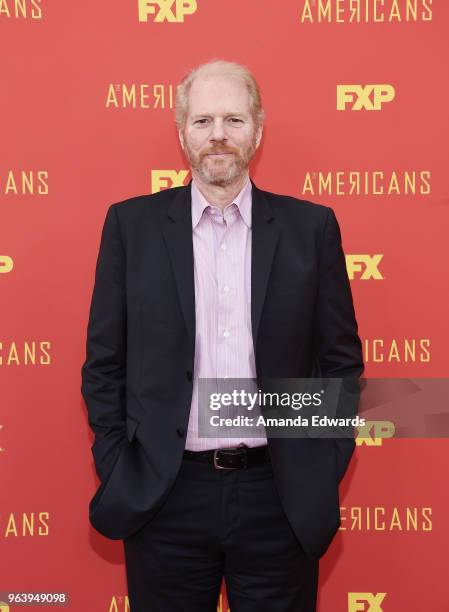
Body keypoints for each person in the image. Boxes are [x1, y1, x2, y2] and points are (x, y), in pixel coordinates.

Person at [81, 59, 364, 611]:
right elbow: (104, 364)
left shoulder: (312, 229)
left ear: (257, 130)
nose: (218, 136)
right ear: (181, 131)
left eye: (233, 120)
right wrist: (121, 463)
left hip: (277, 498)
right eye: (203, 120)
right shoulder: (129, 227)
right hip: (164, 497)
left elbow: (340, 363)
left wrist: (320, 463)